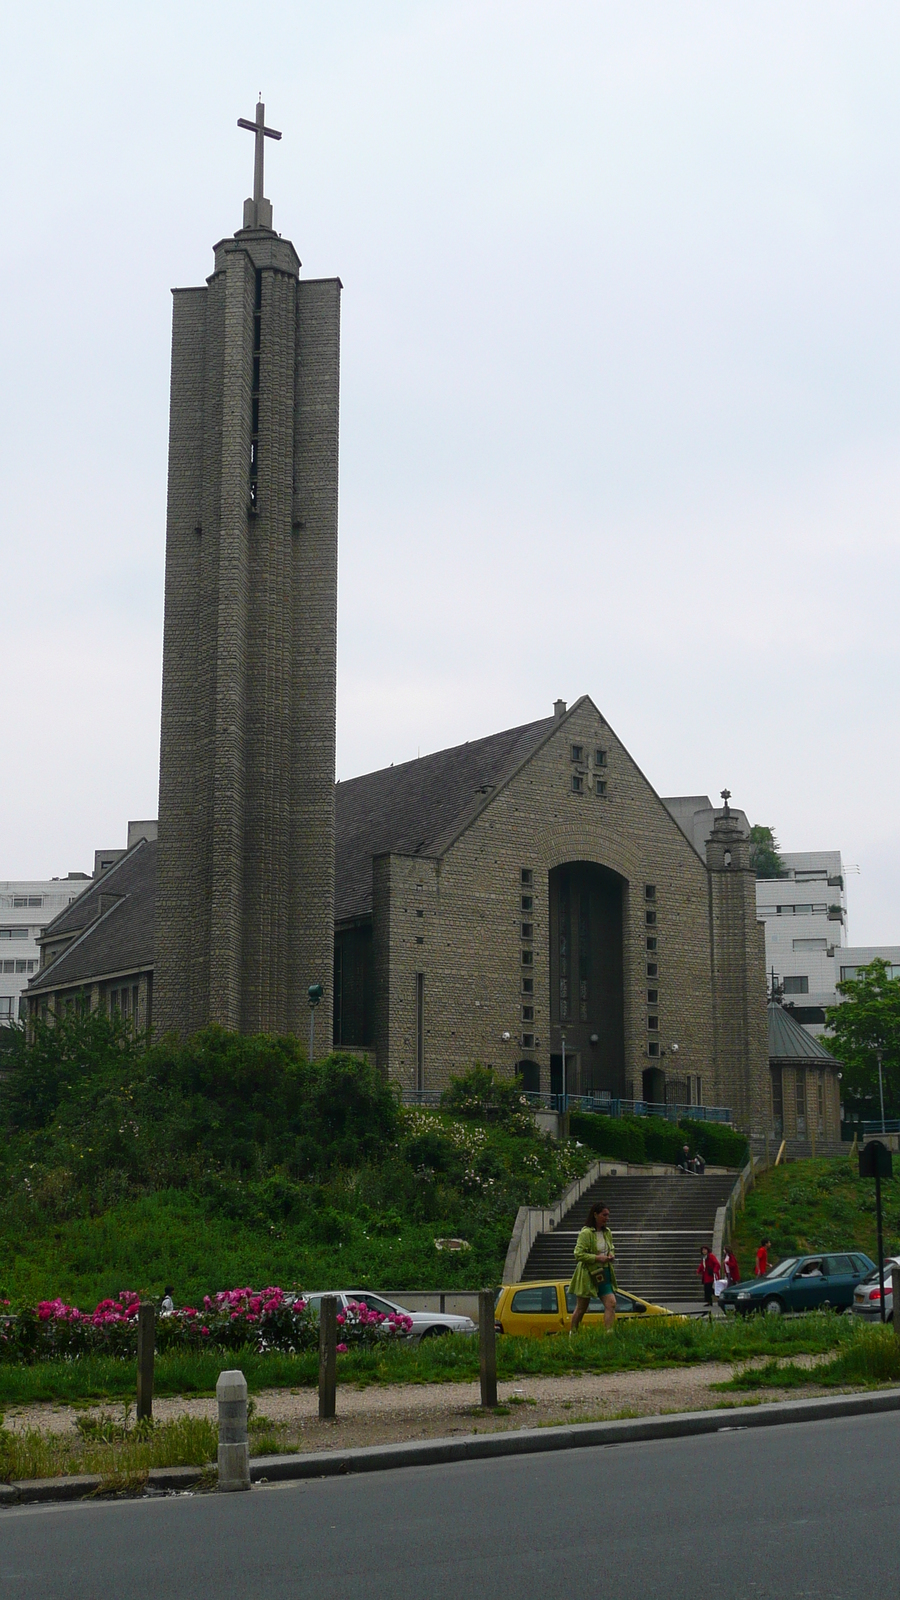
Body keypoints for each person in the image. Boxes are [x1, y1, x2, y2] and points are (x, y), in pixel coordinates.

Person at [569, 1202, 617, 1332]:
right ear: (595, 1215)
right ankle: (572, 1333)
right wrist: (597, 1258)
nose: (607, 1218)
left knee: (611, 1303)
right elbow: (578, 1254)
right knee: (581, 1308)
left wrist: (610, 1254)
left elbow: (610, 1247)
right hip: (588, 1273)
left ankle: (609, 1334)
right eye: (604, 1215)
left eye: (608, 1215)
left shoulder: (607, 1232)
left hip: (603, 1272)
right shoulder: (586, 1233)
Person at [697, 1245, 721, 1309]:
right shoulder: (704, 1257)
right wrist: (699, 1270)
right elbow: (702, 1265)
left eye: (705, 1250)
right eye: (703, 1250)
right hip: (706, 1275)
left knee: (708, 1288)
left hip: (710, 1274)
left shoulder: (711, 1256)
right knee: (708, 1288)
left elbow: (717, 1264)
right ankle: (710, 1300)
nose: (704, 1251)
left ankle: (711, 1300)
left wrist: (715, 1271)